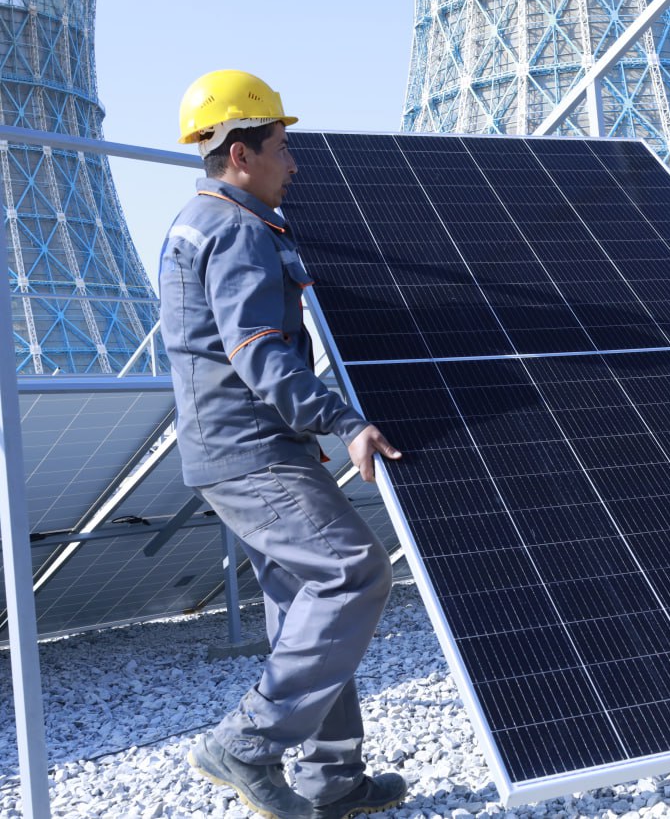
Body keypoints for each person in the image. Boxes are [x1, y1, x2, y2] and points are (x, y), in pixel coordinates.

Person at [160, 70, 408, 819]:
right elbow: (260, 349)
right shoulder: (236, 231)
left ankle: (331, 779)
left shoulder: (194, 220)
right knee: (353, 571)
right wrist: (344, 421)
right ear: (241, 153)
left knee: (304, 599)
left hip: (235, 445)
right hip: (252, 447)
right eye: (282, 146)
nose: (294, 163)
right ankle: (248, 741)